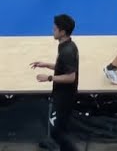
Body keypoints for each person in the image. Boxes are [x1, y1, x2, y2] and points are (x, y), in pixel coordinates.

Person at [30, 14, 80, 151]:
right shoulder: (66, 45)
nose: (53, 30)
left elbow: (71, 77)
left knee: (57, 132)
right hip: (62, 94)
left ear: (62, 32)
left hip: (65, 96)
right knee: (61, 130)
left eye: (55, 28)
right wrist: (46, 64)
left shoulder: (67, 51)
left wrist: (49, 78)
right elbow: (62, 67)